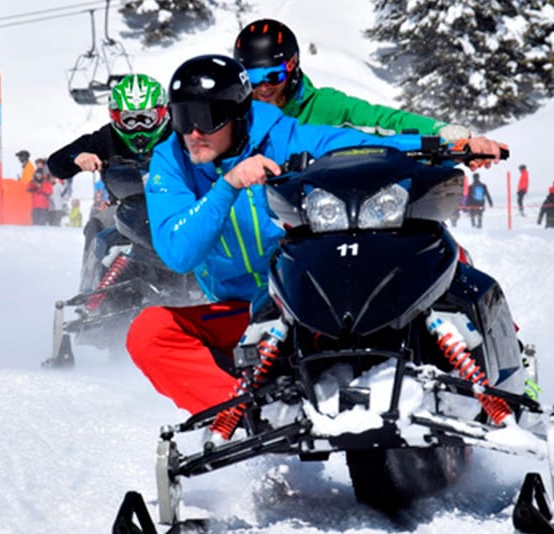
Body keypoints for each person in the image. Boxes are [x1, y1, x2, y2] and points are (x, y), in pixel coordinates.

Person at [125, 54, 505, 415]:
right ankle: (249, 419)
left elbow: (361, 143)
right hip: (247, 314)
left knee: (442, 263)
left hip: (315, 297)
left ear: (238, 115)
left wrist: (454, 147)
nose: (192, 132)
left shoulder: (284, 137)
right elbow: (178, 252)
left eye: (206, 118)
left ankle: (500, 375)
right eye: (181, 117)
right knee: (149, 333)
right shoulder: (171, 161)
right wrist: (227, 186)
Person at [233, 19, 470, 141]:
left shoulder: (323, 106)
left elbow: (383, 120)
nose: (264, 86)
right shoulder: (236, 114)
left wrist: (439, 131)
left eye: (274, 75)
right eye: (253, 77)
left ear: (292, 67)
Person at [47, 73, 171, 280]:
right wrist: (77, 157)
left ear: (161, 113)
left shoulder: (179, 132)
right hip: (125, 209)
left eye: (146, 118)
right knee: (97, 228)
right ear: (116, 118)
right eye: (129, 120)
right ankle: (90, 295)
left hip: (177, 203)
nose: (139, 128)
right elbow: (55, 163)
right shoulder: (106, 138)